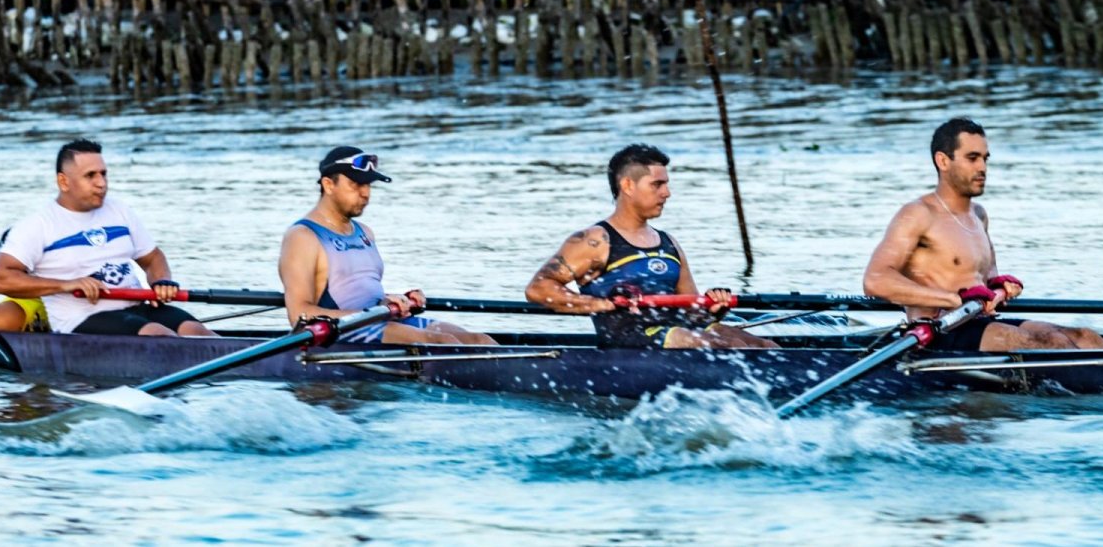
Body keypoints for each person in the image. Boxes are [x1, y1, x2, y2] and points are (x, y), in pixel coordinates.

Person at [863, 117, 1103, 352]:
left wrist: (1002, 287)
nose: (982, 167)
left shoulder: (979, 215)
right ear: (943, 161)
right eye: (972, 158)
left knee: (1084, 336)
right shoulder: (917, 214)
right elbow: (875, 280)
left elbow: (987, 283)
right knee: (1051, 343)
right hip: (941, 330)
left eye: (985, 158)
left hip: (982, 322)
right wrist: (952, 299)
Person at [525, 143, 778, 349]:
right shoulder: (594, 240)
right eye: (657, 184)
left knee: (761, 345)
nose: (667, 193)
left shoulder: (669, 243)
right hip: (631, 340)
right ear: (627, 186)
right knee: (723, 345)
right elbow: (538, 289)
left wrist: (713, 310)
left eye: (666, 184)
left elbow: (693, 314)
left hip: (679, 333)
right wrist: (600, 304)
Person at [0, 139, 215, 337]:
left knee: (195, 331)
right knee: (157, 334)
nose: (101, 183)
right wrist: (66, 285)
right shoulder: (37, 225)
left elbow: (153, 258)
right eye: (90, 175)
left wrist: (161, 281)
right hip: (83, 317)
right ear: (64, 181)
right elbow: (0, 278)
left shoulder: (120, 211)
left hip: (136, 307)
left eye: (103, 173)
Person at [278, 146, 496, 345]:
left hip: (379, 321)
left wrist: (400, 301)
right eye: (356, 184)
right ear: (328, 184)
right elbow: (299, 314)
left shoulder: (365, 233)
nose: (366, 193)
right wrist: (375, 311)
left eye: (368, 185)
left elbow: (357, 294)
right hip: (343, 333)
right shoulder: (303, 237)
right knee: (444, 343)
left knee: (480, 340)